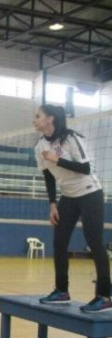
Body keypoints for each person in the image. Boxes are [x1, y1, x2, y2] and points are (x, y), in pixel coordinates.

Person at [34, 104, 111, 313]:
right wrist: (52, 204)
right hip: (67, 196)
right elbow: (48, 176)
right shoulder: (40, 146)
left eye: (38, 116)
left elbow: (86, 168)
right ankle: (62, 291)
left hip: (89, 192)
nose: (35, 120)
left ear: (50, 119)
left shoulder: (70, 139)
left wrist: (57, 159)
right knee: (59, 242)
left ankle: (105, 296)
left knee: (94, 241)